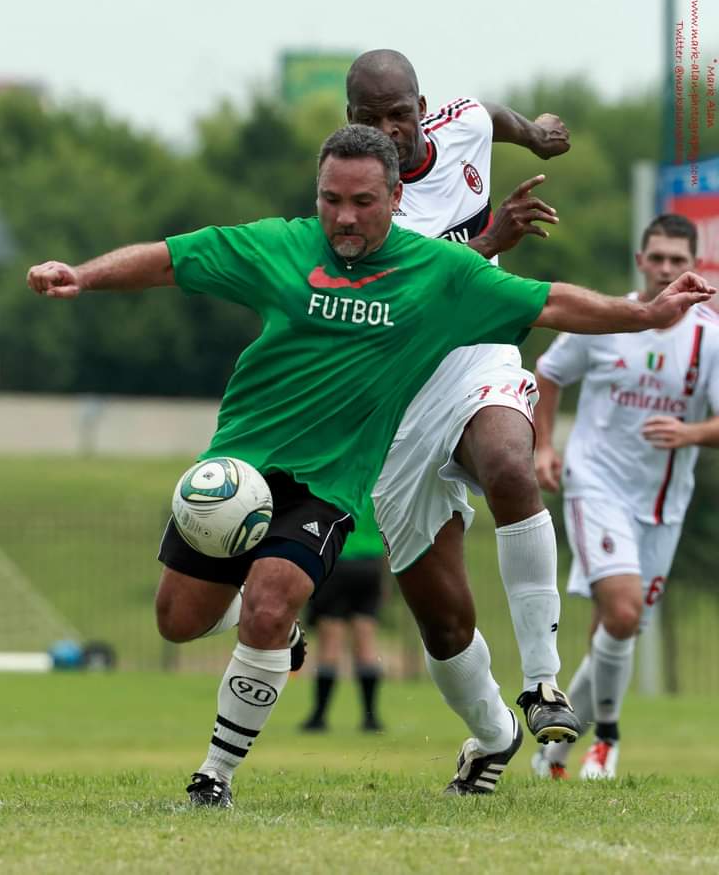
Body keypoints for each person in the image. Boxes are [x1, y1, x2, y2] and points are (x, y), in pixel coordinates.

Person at [27, 128, 712, 806]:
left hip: (329, 483)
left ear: (395, 196)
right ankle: (280, 639)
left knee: (272, 601)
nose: (344, 216)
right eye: (330, 199)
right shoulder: (281, 246)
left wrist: (644, 313)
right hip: (238, 469)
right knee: (176, 620)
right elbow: (175, 259)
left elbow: (551, 300)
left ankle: (214, 778)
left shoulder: (438, 273)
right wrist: (81, 276)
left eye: (361, 201)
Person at [344, 49, 579, 785]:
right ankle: (495, 735)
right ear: (349, 121)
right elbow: (408, 299)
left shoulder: (464, 123)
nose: (390, 131)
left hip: (476, 356)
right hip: (399, 395)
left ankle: (543, 680)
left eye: (400, 114)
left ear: (422, 105)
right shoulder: (351, 202)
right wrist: (488, 243)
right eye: (370, 119)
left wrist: (537, 134)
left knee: (512, 463)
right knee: (443, 625)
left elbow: (494, 119)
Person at [532, 214, 719, 780]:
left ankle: (554, 753)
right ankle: (606, 742)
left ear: (694, 266)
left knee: (618, 626)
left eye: (676, 259)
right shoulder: (606, 320)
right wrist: (543, 446)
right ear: (640, 260)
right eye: (656, 257)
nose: (665, 268)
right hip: (596, 485)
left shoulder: (707, 337)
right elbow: (547, 372)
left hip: (662, 503)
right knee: (621, 611)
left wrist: (689, 433)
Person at [300, 502, 387, 733]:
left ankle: (318, 717)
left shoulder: (339, 480)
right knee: (366, 641)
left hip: (337, 562)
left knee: (330, 642)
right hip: (371, 565)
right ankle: (370, 718)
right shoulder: (374, 483)